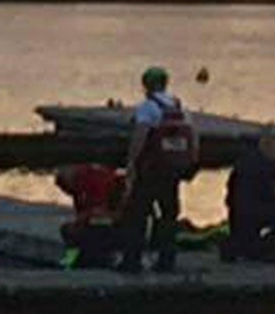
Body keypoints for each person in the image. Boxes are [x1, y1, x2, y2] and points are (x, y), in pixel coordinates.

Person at [122, 65, 199, 273]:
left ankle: (132, 260)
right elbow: (194, 136)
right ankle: (167, 260)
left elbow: (140, 136)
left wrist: (131, 163)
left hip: (150, 170)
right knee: (169, 214)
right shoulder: (179, 107)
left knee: (137, 214)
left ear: (146, 85)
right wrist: (191, 160)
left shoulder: (147, 108)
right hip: (173, 170)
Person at [224, 134, 275, 263]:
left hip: (237, 214)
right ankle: (272, 249)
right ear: (271, 150)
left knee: (248, 237)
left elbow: (230, 197)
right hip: (254, 212)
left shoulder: (241, 164)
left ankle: (243, 246)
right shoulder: (266, 168)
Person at [56, 162, 125, 269]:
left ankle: (72, 260)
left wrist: (83, 220)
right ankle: (72, 260)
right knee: (70, 231)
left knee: (77, 233)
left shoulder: (96, 181)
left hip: (110, 223)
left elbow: (100, 210)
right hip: (99, 221)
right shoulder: (79, 189)